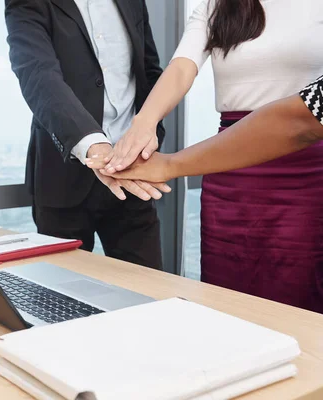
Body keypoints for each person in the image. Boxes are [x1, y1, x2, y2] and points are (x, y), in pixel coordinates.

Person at [88, 0, 323, 312]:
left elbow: (301, 121)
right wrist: (143, 124)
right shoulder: (219, 4)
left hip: (307, 175)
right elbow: (182, 67)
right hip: (228, 172)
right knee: (226, 302)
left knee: (301, 305)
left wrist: (169, 164)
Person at [4, 0, 169, 269]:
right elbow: (37, 74)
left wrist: (150, 137)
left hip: (134, 172)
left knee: (150, 296)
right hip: (63, 176)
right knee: (63, 302)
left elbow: (149, 70)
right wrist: (95, 147)